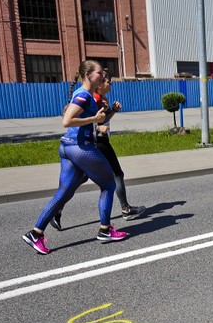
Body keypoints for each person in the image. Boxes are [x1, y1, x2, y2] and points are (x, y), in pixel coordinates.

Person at [21, 60, 128, 255]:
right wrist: (94, 119)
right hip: (81, 147)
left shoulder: (87, 95)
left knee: (65, 192)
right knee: (109, 185)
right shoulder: (84, 95)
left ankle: (36, 233)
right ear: (88, 75)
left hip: (68, 147)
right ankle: (105, 230)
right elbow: (67, 120)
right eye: (99, 73)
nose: (102, 77)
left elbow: (96, 120)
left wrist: (105, 115)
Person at [50, 73, 146, 231]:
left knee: (79, 178)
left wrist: (112, 110)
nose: (110, 84)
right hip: (98, 142)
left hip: (94, 143)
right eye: (108, 81)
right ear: (99, 84)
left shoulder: (101, 99)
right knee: (116, 174)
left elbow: (102, 119)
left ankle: (56, 209)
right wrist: (98, 128)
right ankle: (124, 210)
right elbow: (87, 120)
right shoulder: (93, 98)